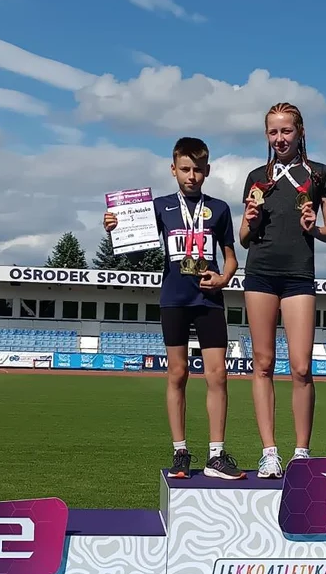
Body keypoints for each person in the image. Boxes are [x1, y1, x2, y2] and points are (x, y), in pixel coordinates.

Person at [104, 137, 244, 481]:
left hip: (209, 299)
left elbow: (231, 257)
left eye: (198, 169)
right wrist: (114, 229)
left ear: (207, 171)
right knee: (177, 374)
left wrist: (224, 278)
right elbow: (134, 250)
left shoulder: (220, 209)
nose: (191, 175)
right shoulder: (159, 207)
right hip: (174, 299)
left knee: (218, 376)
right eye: (185, 169)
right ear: (173, 169)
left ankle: (216, 455)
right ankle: (180, 451)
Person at [238, 102, 326, 479]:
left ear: (300, 133)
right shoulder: (255, 176)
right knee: (262, 365)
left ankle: (301, 453)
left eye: (286, 131)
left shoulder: (319, 174)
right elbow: (245, 239)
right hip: (260, 274)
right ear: (266, 135)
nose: (279, 138)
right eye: (273, 132)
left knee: (301, 368)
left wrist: (314, 226)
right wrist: (248, 221)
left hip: (299, 276)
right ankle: (269, 452)